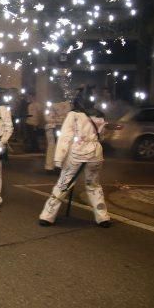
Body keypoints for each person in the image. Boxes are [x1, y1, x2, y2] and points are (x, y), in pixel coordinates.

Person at [39, 88, 112, 228]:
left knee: (63, 184)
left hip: (77, 154)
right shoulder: (100, 116)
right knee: (94, 185)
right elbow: (102, 136)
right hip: (95, 155)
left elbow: (65, 137)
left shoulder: (74, 115)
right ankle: (103, 217)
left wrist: (58, 159)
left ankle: (47, 216)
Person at [44, 99, 71, 172]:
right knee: (58, 147)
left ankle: (49, 166)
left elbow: (47, 117)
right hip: (59, 128)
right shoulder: (67, 105)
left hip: (51, 127)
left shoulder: (50, 104)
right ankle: (56, 166)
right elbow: (68, 117)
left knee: (52, 146)